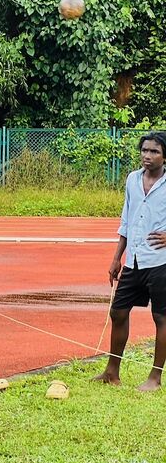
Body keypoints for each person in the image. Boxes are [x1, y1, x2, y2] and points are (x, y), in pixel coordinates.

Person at [93, 131, 166, 392]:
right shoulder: (132, 179)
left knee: (161, 317)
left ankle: (155, 378)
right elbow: (127, 219)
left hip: (160, 261)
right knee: (118, 312)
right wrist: (117, 258)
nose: (148, 156)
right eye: (145, 150)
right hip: (134, 259)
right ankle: (112, 371)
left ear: (164, 156)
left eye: (154, 151)